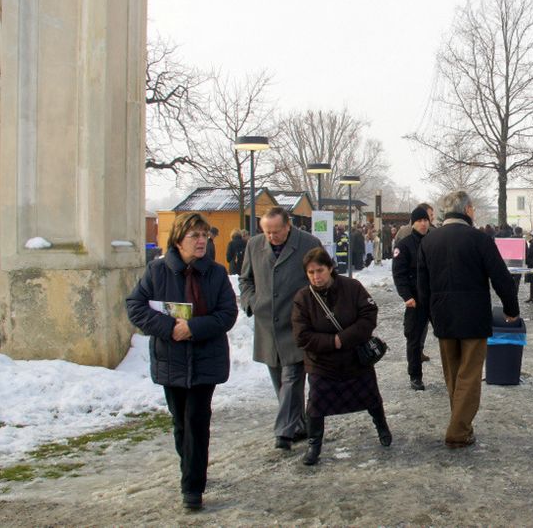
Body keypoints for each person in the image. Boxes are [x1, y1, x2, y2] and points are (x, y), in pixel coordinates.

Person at [126, 213, 237, 510]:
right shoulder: (157, 271)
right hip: (171, 359)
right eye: (195, 236)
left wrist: (193, 328)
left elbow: (227, 314)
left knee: (197, 420)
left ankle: (192, 487)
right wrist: (169, 328)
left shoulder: (216, 273)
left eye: (205, 236)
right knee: (180, 422)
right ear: (178, 239)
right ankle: (191, 465)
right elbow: (135, 306)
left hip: (205, 359)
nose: (201, 241)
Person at [416, 190, 519, 448]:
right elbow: (501, 277)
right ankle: (458, 430)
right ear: (468, 210)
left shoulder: (429, 241)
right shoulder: (479, 239)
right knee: (470, 376)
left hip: (443, 318)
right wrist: (511, 308)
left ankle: (461, 424)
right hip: (473, 317)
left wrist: (429, 314)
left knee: (453, 374)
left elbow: (422, 286)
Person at [291, 247, 388, 465]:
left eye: (320, 271)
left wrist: (342, 339)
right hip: (322, 364)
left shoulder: (352, 287)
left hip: (355, 359)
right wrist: (330, 342)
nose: (316, 277)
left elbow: (368, 315)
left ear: (331, 268)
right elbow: (301, 335)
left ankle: (381, 426)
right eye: (311, 273)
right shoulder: (303, 298)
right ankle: (314, 445)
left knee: (371, 397)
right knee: (315, 405)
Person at [239, 207, 324, 450]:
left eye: (276, 232)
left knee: (293, 377)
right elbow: (245, 279)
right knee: (279, 379)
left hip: (297, 324)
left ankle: (283, 433)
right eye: (267, 232)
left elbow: (322, 276)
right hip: (267, 324)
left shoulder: (308, 243)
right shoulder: (254, 245)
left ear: (288, 226)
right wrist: (251, 302)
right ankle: (300, 425)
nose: (272, 237)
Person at [392, 207, 433, 390]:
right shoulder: (404, 245)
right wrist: (407, 296)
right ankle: (415, 375)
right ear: (413, 223)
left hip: (435, 297)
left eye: (426, 220)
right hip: (415, 299)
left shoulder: (435, 241)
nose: (423, 224)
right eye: (419, 221)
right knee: (414, 339)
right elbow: (398, 274)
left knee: (448, 336)